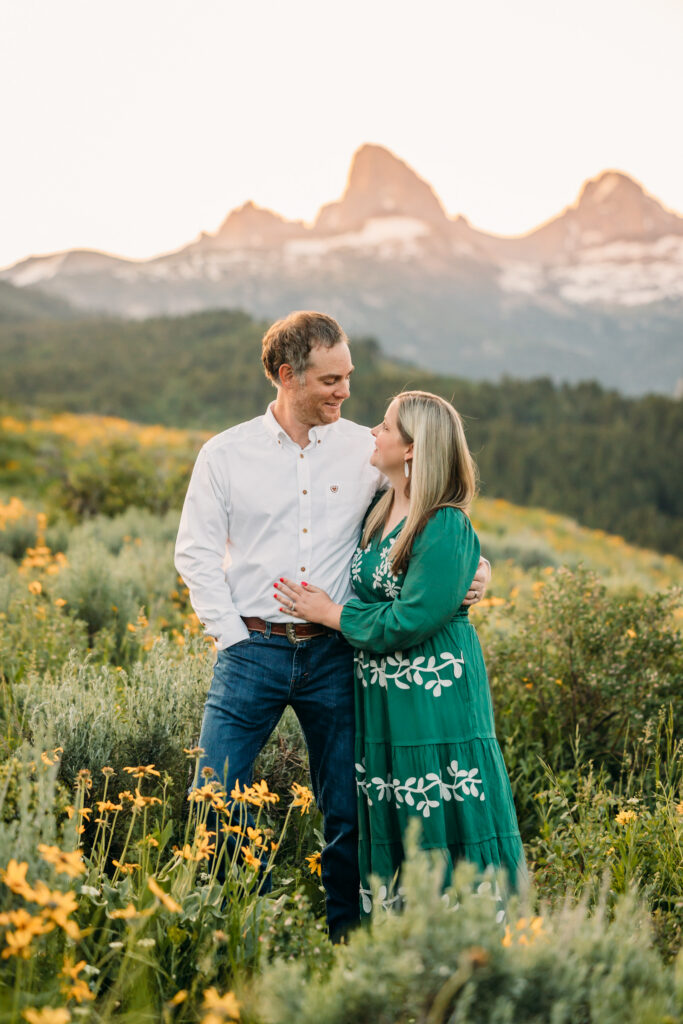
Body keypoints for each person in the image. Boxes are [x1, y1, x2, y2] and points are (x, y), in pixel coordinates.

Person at [175, 313, 491, 941]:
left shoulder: (362, 449)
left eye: (348, 376)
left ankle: (349, 941)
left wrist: (477, 568)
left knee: (350, 807)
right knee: (216, 793)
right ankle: (251, 924)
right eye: (331, 379)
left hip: (338, 655)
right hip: (251, 649)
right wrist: (232, 636)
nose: (346, 391)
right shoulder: (225, 454)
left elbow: (425, 507)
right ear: (287, 376)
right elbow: (196, 553)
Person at [275, 390, 525, 913]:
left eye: (386, 427)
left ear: (411, 449)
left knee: (437, 803)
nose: (373, 432)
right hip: (383, 696)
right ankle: (402, 948)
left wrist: (333, 615)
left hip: (435, 698)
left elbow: (410, 619)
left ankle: (466, 942)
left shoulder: (444, 522)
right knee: (396, 806)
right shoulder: (381, 506)